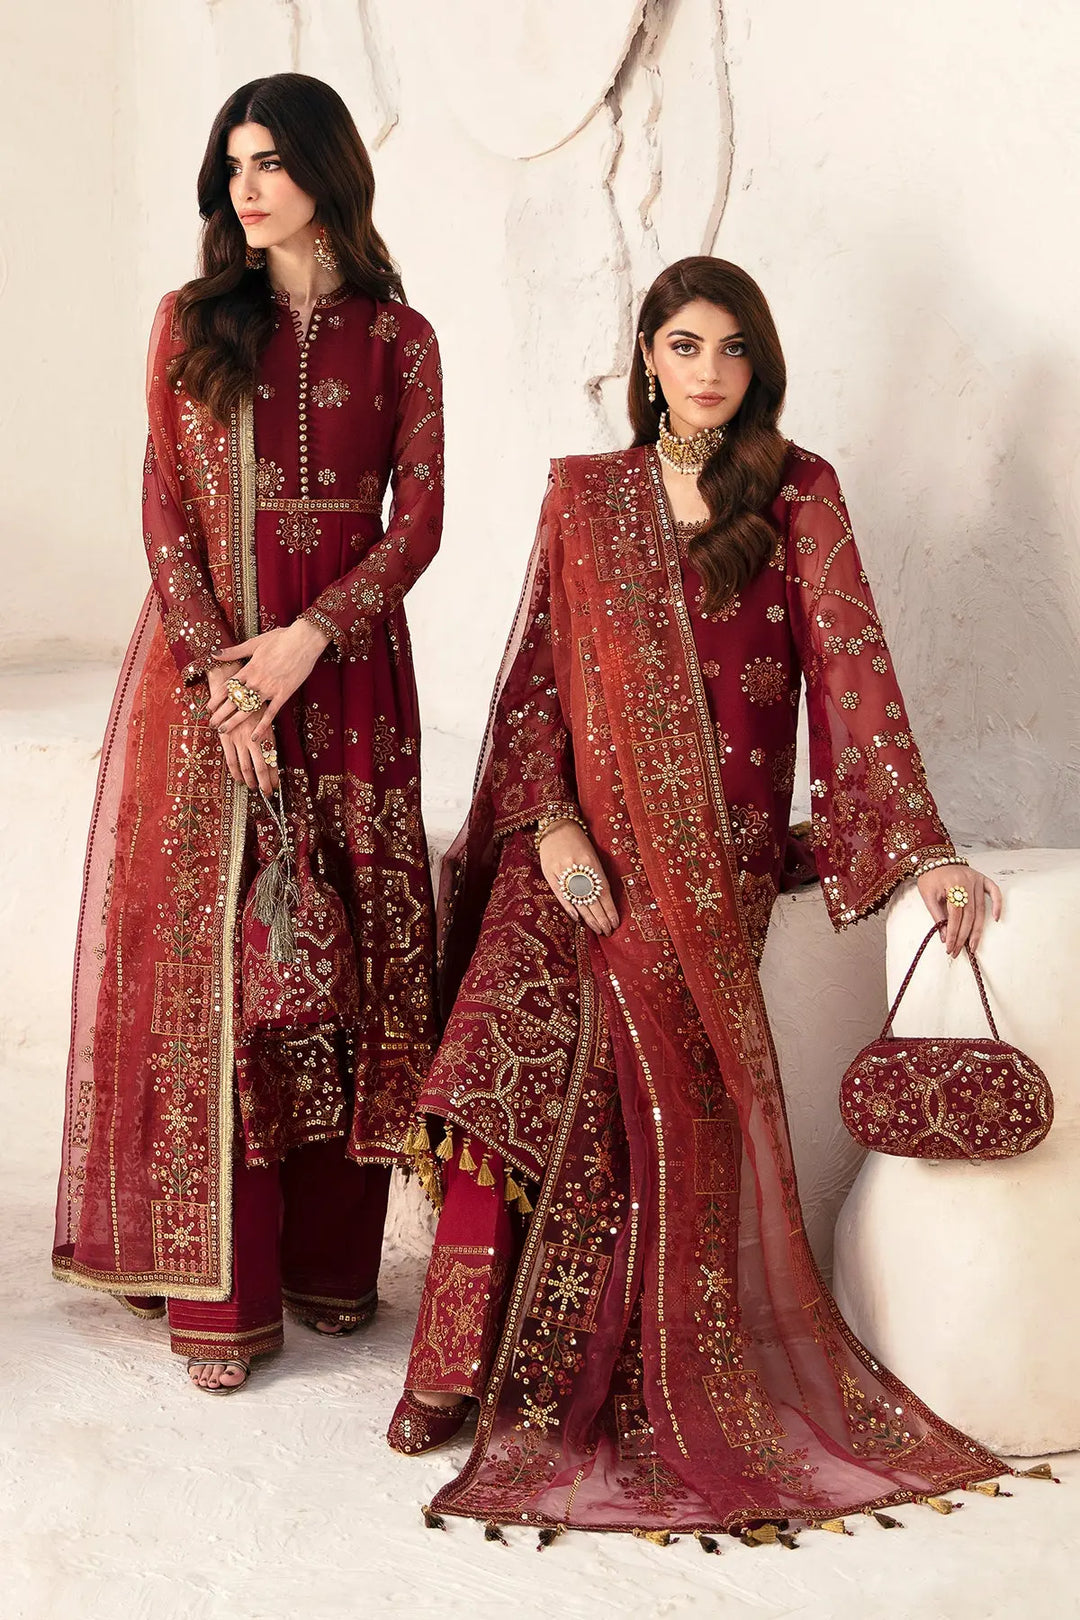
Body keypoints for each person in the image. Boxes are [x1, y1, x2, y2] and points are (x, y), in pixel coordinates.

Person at [386, 257, 1007, 1534]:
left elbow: (852, 670)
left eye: (731, 348)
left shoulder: (798, 491)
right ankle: (456, 1358)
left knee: (631, 1066)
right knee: (503, 1013)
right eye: (684, 345)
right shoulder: (589, 497)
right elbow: (539, 690)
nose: (709, 371)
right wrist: (553, 832)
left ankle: (560, 1371)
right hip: (580, 839)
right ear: (647, 357)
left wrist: (920, 845)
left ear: (758, 362)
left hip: (713, 852)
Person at [53, 74, 444, 1394]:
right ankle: (222, 1299)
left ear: (328, 169)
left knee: (339, 969)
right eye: (234, 165)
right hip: (211, 685)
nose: (249, 186)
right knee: (226, 978)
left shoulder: (401, 340)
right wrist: (227, 680)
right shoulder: (192, 321)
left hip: (350, 681)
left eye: (271, 160)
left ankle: (331, 1265)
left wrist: (310, 639)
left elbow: (418, 525)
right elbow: (165, 507)